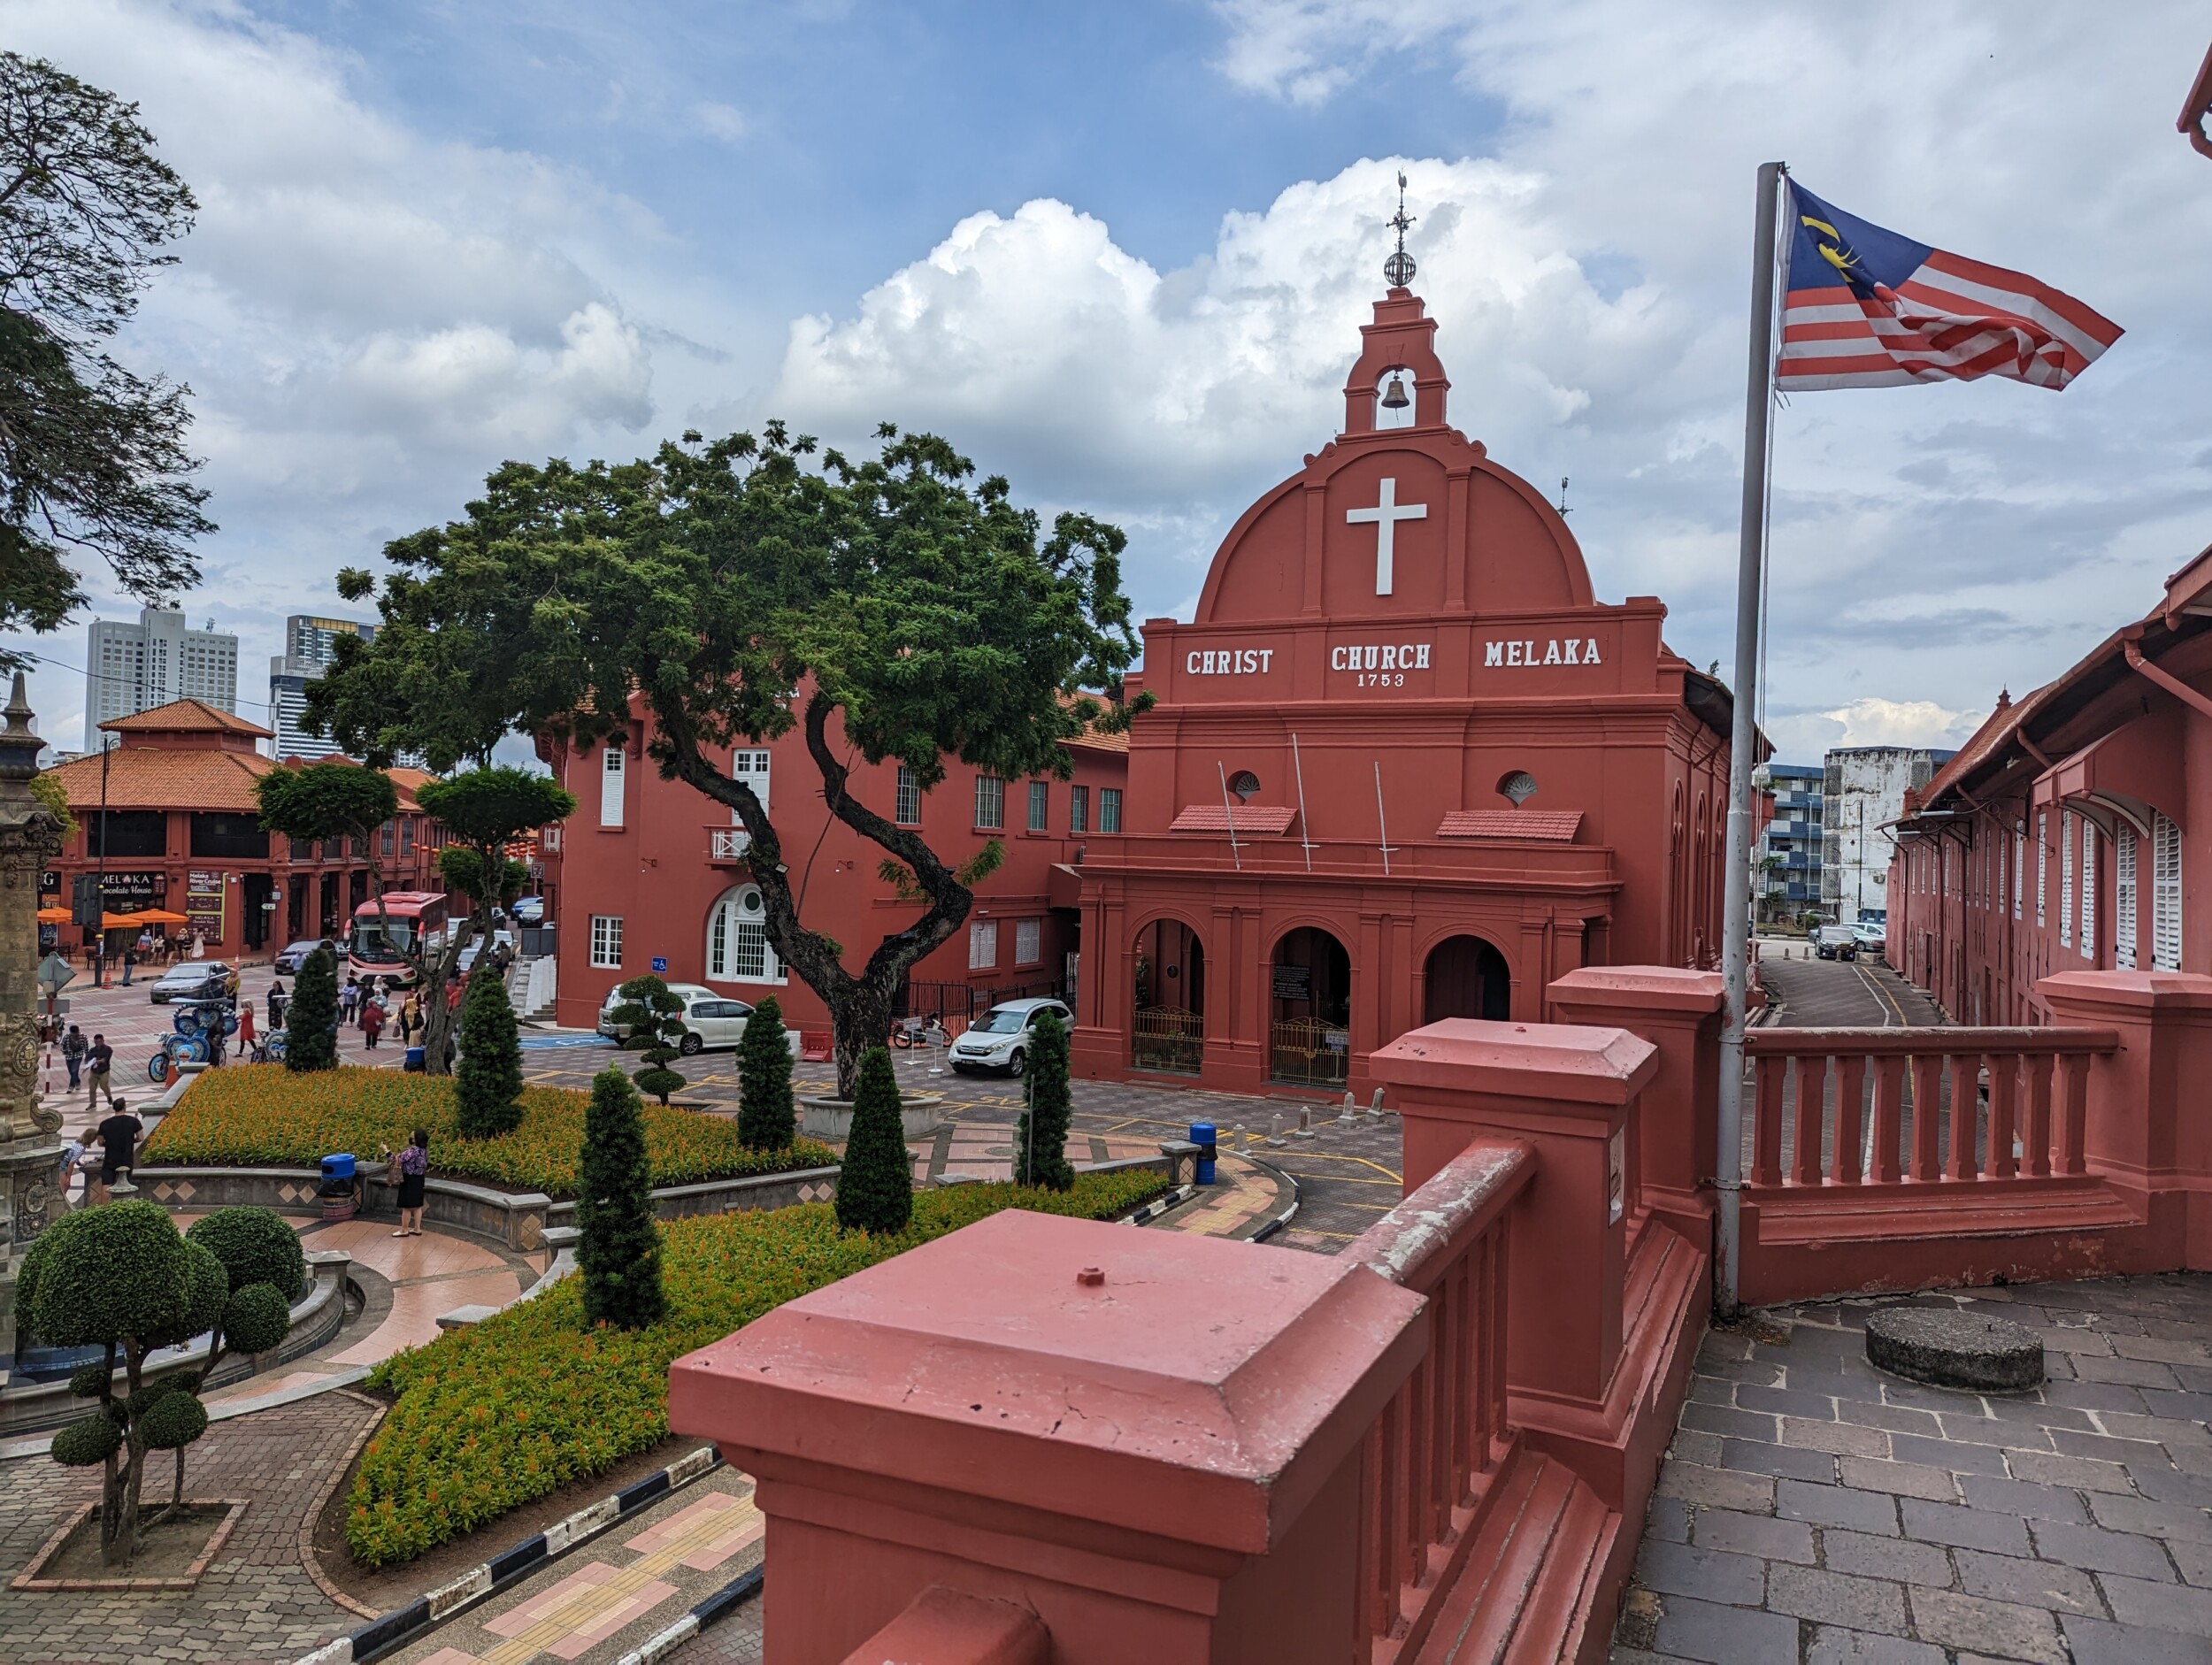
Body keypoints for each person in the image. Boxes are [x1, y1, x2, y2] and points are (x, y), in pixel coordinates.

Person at [96, 1100, 142, 1199]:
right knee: (126, 1182)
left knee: (106, 1184)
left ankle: (105, 1209)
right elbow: (140, 1137)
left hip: (110, 1158)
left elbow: (100, 1142)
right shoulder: (133, 1121)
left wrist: (108, 1144)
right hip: (126, 1157)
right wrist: (131, 1141)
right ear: (124, 1107)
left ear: (114, 1108)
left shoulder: (105, 1123)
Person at [394, 1127, 429, 1236]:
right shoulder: (424, 1151)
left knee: (407, 1206)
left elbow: (396, 1160)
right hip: (419, 1179)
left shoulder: (411, 1152)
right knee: (418, 1205)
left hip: (409, 1179)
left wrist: (386, 1150)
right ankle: (417, 1228)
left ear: (414, 1140)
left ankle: (404, 1230)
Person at [85, 1032, 113, 1108]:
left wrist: (98, 1061)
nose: (98, 1043)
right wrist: (88, 1062)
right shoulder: (92, 1050)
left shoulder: (108, 1049)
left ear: (103, 1041)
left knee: (103, 1085)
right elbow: (87, 1058)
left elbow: (106, 1059)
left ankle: (109, 1096)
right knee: (92, 1088)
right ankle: (93, 1103)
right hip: (94, 1071)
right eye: (96, 1042)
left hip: (104, 1071)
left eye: (100, 1041)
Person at [59, 1024, 86, 1091]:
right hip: (69, 1056)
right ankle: (77, 1081)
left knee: (74, 1070)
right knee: (71, 1071)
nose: (75, 1035)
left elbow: (86, 1047)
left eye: (76, 1033)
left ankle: (71, 1086)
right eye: (73, 1034)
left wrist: (88, 1056)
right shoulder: (66, 1037)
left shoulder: (83, 1036)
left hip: (78, 1055)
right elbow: (62, 1046)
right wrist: (64, 1050)